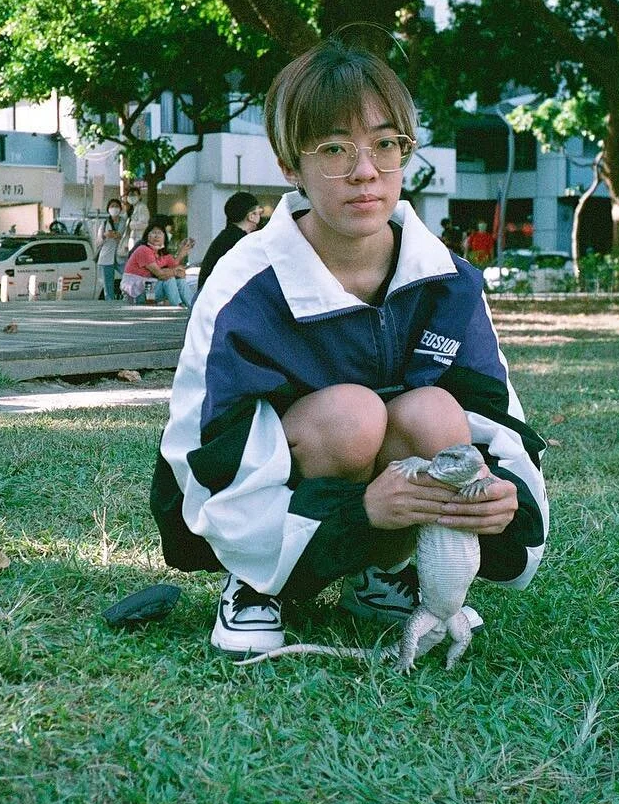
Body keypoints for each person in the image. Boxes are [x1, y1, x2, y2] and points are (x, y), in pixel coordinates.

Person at [150, 36, 550, 657]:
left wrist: (502, 497)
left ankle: (381, 573)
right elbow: (202, 450)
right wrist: (359, 508)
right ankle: (258, 585)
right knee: (352, 416)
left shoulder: (446, 278)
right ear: (291, 165)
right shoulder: (245, 283)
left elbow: (500, 420)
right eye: (334, 148)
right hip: (286, 497)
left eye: (385, 145)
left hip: (386, 497)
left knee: (435, 414)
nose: (365, 172)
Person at [196, 191, 262, 292]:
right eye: (259, 212)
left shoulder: (227, 237)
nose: (260, 217)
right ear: (251, 216)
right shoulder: (241, 241)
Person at [121, 225, 195, 306]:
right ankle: (177, 306)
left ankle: (193, 307)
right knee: (169, 279)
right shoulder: (143, 249)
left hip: (150, 291)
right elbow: (160, 274)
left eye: (159, 233)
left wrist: (182, 250)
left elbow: (176, 269)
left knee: (180, 281)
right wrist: (174, 272)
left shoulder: (163, 255)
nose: (156, 236)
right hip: (136, 295)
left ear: (164, 238)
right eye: (153, 233)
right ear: (147, 236)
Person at [95, 198, 130, 300]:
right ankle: (109, 304)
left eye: (116, 206)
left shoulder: (125, 222)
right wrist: (105, 235)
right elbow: (98, 242)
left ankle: (127, 297)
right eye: (112, 206)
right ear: (108, 209)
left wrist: (119, 236)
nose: (114, 208)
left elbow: (127, 236)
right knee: (108, 284)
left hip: (121, 255)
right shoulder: (104, 223)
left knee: (128, 275)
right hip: (106, 257)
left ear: (120, 209)